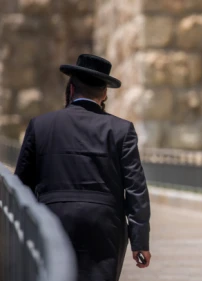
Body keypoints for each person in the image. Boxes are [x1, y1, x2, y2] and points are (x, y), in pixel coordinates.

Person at [14, 54, 152, 281]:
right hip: (105, 225)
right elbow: (136, 188)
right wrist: (140, 241)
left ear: (71, 89)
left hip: (52, 219)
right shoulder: (121, 130)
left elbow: (21, 185)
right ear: (105, 93)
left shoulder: (41, 126)